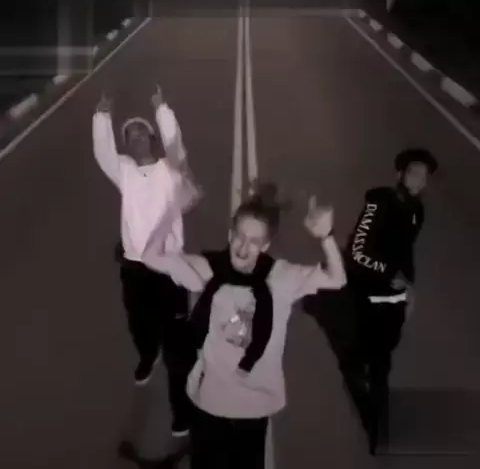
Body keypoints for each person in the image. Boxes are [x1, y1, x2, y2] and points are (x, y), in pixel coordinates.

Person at [142, 182, 347, 469]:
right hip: (210, 402)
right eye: (239, 236)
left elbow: (337, 279)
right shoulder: (209, 270)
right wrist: (170, 209)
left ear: (265, 246)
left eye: (254, 241)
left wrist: (326, 236)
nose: (243, 247)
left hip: (255, 405)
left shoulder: (282, 277)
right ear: (230, 235)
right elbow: (150, 256)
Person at [92, 86, 201, 437]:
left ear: (153, 139)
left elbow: (176, 142)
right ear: (126, 145)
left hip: (169, 268)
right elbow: (103, 151)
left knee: (177, 347)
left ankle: (182, 412)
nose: (136, 136)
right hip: (135, 269)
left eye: (142, 131)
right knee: (138, 326)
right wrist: (102, 116)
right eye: (130, 134)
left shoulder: (171, 169)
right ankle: (146, 353)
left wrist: (161, 108)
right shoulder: (123, 171)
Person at [344, 147, 439, 453]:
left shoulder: (417, 210)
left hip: (395, 295)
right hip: (368, 292)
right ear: (400, 174)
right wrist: (387, 273)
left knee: (383, 353)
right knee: (379, 364)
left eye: (424, 175)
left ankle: (372, 396)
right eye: (414, 172)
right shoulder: (379, 202)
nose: (419, 179)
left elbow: (404, 253)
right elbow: (357, 251)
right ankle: (378, 432)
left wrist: (409, 287)